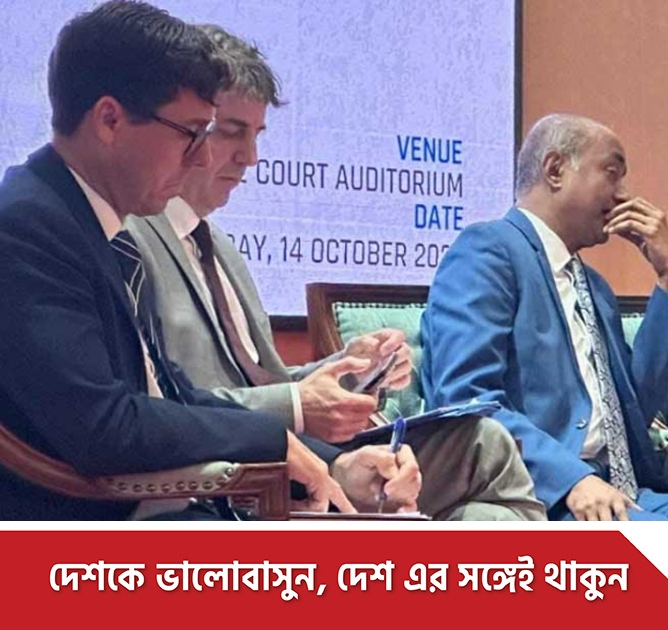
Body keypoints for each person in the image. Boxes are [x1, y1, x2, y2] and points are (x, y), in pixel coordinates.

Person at [126, 24, 543, 521]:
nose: (250, 158)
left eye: (256, 136)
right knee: (484, 454)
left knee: (485, 451)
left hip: (301, 453)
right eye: (231, 132)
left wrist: (350, 371)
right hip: (242, 472)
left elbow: (263, 378)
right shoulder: (130, 239)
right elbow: (166, 405)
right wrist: (299, 407)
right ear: (187, 127)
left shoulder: (220, 247)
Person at [0, 0, 398, 520]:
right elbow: (104, 427)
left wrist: (328, 461)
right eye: (191, 133)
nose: (204, 157)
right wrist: (271, 441)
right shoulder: (27, 227)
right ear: (110, 120)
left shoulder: (90, 223)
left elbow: (172, 395)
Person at [420, 113, 668, 521]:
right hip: (546, 493)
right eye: (611, 173)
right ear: (555, 169)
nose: (623, 195)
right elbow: (468, 401)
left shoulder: (592, 286)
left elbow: (634, 409)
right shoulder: (488, 251)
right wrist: (571, 479)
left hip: (624, 487)